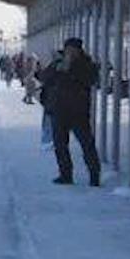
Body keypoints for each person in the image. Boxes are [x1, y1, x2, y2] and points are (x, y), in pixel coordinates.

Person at [38, 37, 101, 186]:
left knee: (87, 144)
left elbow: (91, 79)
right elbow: (44, 77)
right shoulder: (57, 63)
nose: (70, 52)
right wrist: (56, 69)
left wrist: (72, 69)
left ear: (79, 51)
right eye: (68, 49)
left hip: (78, 111)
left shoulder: (86, 64)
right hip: (59, 110)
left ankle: (94, 175)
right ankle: (65, 174)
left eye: (74, 50)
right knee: (60, 145)